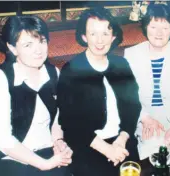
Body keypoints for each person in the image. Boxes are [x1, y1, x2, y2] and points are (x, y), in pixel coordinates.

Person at [57, 7, 141, 176]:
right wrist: (107, 149)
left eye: (105, 33)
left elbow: (133, 106)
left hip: (121, 142)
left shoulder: (121, 65)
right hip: (89, 147)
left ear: (113, 36)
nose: (100, 40)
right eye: (93, 33)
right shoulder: (71, 70)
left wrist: (122, 139)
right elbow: (69, 122)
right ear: (84, 36)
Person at [0, 16, 72, 176]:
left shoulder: (53, 73)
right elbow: (1, 138)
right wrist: (44, 164)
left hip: (48, 152)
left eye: (42, 41)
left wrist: (58, 142)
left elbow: (57, 119)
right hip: (11, 158)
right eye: (28, 45)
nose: (38, 50)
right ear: (13, 48)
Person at [124, 4, 170, 160]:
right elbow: (126, 96)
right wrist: (144, 118)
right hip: (147, 120)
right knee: (154, 158)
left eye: (165, 28)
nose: (159, 33)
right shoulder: (131, 55)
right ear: (145, 28)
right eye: (153, 27)